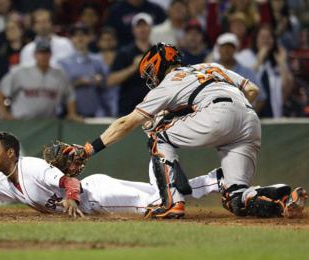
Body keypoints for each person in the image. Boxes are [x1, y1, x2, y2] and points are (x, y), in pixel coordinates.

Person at [64, 43, 307, 219]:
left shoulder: (170, 82)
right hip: (249, 119)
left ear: (160, 65)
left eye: (150, 72)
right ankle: (283, 198)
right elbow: (252, 90)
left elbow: (127, 122)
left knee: (156, 130)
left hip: (218, 114)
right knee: (236, 198)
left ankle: (171, 203)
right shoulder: (211, 67)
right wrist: (233, 114)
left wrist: (89, 148)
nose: (151, 78)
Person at [0, 132, 223, 217]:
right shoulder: (2, 181)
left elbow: (67, 182)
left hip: (95, 198)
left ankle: (168, 163)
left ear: (11, 153)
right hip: (97, 188)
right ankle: (215, 179)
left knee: (162, 204)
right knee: (168, 194)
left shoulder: (30, 166)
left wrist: (72, 198)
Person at [0, 39, 81, 121]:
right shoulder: (21, 72)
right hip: (22, 122)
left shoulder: (60, 74)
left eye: (46, 53)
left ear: (51, 55)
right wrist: (4, 113)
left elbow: (70, 96)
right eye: (40, 53)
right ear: (34, 55)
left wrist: (72, 114)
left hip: (49, 124)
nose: (43, 56)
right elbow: (2, 90)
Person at [107, 13, 152, 116]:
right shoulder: (124, 52)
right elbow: (110, 81)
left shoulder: (158, 53)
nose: (142, 29)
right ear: (133, 30)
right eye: (138, 26)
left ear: (150, 28)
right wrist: (133, 68)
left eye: (145, 25)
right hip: (128, 109)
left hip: (152, 110)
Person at [58, 23, 108, 118]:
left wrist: (100, 80)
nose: (80, 38)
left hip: (95, 111)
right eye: (75, 35)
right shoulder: (63, 62)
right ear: (71, 39)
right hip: (71, 113)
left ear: (89, 38)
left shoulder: (98, 60)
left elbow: (106, 84)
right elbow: (60, 89)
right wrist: (78, 82)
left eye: (84, 34)